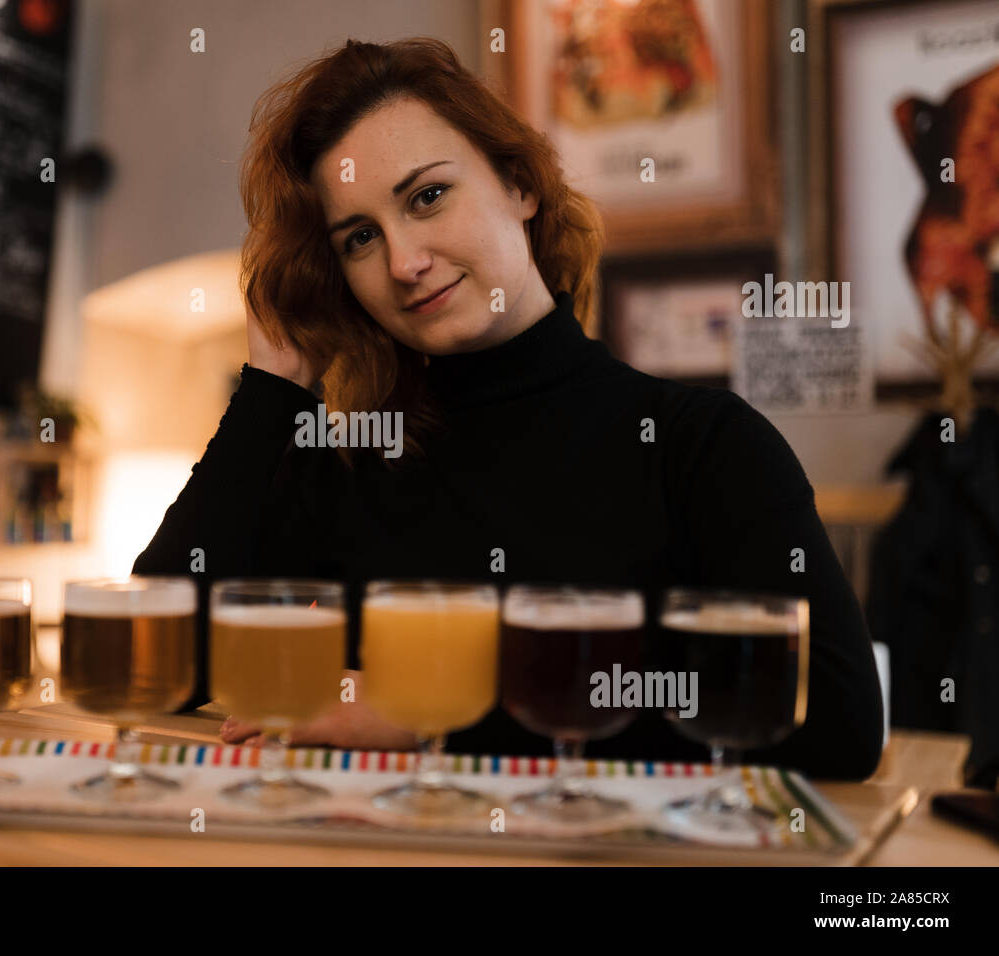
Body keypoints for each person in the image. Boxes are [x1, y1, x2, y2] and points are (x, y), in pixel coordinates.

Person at [134, 38, 885, 780]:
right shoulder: (354, 458)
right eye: (360, 238)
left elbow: (840, 722)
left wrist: (433, 717)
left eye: (427, 196)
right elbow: (157, 665)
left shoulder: (703, 447)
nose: (404, 262)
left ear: (520, 186)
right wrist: (273, 383)